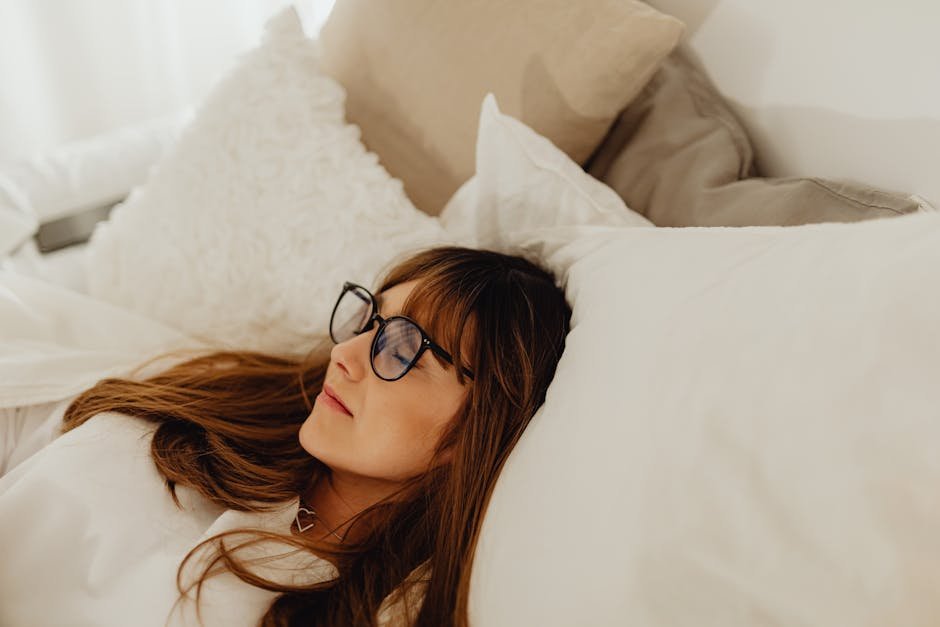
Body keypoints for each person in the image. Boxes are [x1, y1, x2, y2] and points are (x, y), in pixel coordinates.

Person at [60, 246, 571, 627]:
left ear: (476, 428)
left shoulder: (390, 608)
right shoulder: (226, 409)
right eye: (369, 321)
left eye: (402, 349)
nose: (344, 355)